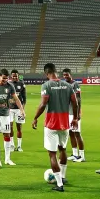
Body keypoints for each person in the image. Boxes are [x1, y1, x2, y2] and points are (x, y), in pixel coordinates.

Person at [32, 63, 78, 192]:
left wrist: (35, 118)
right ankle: (62, 177)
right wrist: (75, 118)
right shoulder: (68, 86)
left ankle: (59, 184)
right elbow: (75, 102)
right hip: (65, 123)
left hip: (51, 124)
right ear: (56, 72)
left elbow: (43, 104)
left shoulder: (46, 85)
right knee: (62, 149)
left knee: (52, 154)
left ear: (46, 73)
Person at [0, 69, 26, 167]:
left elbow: (16, 99)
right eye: (3, 78)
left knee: (7, 135)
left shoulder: (10, 86)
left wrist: (22, 110)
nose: (5, 80)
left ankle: (7, 159)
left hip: (6, 114)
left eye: (7, 78)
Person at [62, 68, 85, 162]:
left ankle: (82, 156)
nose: (65, 76)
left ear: (70, 74)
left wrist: (78, 113)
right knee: (70, 133)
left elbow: (78, 99)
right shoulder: (64, 84)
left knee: (77, 133)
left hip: (74, 113)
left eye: (67, 75)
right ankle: (75, 154)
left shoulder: (75, 84)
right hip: (67, 112)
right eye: (64, 75)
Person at [8, 69, 27, 152]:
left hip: (19, 109)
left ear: (18, 76)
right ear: (11, 76)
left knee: (19, 128)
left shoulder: (21, 84)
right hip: (10, 109)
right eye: (13, 76)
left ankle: (19, 146)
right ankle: (12, 145)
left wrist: (23, 109)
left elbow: (24, 98)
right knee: (10, 127)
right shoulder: (8, 84)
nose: (14, 77)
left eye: (16, 76)